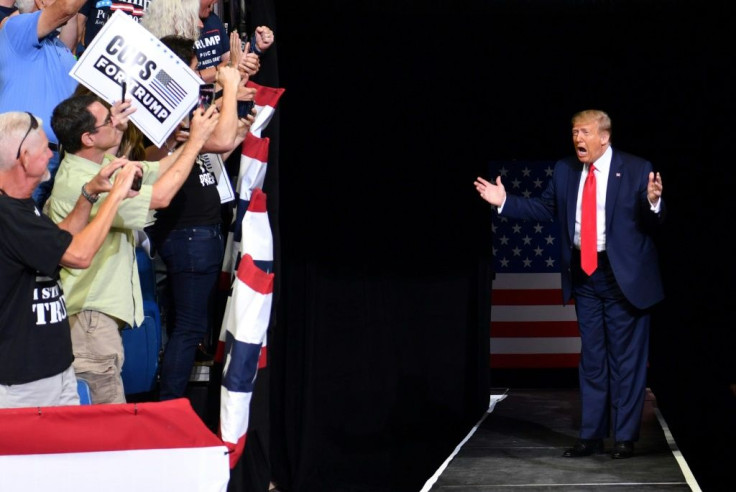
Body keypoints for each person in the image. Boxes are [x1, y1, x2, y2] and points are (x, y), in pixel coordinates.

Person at [474, 109, 665, 459]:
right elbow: (544, 208)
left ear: (604, 137)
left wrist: (653, 202)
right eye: (575, 132)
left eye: (585, 132)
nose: (578, 138)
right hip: (585, 276)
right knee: (592, 359)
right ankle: (590, 436)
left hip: (626, 278)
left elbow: (650, 218)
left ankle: (624, 437)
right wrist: (505, 203)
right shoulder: (565, 170)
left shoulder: (637, 168)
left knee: (626, 361)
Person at [46, 93, 219, 404]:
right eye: (108, 120)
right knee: (104, 427)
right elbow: (161, 197)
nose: (117, 120)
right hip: (88, 320)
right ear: (88, 137)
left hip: (96, 319)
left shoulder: (101, 163)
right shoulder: (81, 180)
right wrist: (194, 143)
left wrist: (194, 142)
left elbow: (157, 170)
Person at [0, 110, 142, 409]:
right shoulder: (6, 214)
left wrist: (89, 194)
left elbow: (57, 242)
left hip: (56, 367)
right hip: (22, 380)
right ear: (24, 158)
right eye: (46, 149)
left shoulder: (22, 207)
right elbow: (77, 255)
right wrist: (115, 195)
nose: (53, 155)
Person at [144, 34, 253, 401]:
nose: (197, 79)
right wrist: (231, 86)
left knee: (187, 326)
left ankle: (169, 404)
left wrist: (237, 124)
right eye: (191, 70)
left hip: (196, 232)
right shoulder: (162, 119)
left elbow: (212, 154)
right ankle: (170, 407)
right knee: (189, 328)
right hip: (188, 235)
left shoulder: (181, 116)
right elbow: (216, 142)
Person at [0, 0, 87, 210]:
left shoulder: (60, 48)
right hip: (23, 155)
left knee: (36, 237)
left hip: (61, 158)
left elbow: (68, 14)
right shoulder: (17, 28)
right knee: (14, 231)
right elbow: (66, 7)